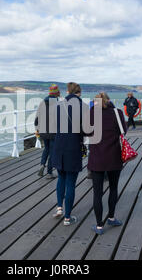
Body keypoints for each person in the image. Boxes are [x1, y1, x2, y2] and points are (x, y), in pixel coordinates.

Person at [88, 92, 126, 235]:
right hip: (114, 157)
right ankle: (111, 217)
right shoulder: (117, 113)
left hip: (97, 158)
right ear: (109, 100)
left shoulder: (91, 113)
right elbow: (124, 131)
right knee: (113, 188)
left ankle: (99, 226)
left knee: (97, 193)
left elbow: (85, 132)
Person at [52, 82, 89, 226]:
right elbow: (86, 129)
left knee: (61, 178)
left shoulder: (59, 106)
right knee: (71, 183)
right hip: (73, 147)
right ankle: (67, 217)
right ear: (79, 92)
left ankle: (59, 208)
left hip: (59, 146)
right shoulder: (84, 107)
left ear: (67, 91)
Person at [35, 84, 60, 179]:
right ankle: (49, 172)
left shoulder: (43, 102)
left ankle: (42, 164)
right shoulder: (57, 103)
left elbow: (36, 119)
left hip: (43, 131)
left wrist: (37, 129)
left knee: (46, 148)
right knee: (52, 151)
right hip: (53, 132)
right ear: (56, 92)